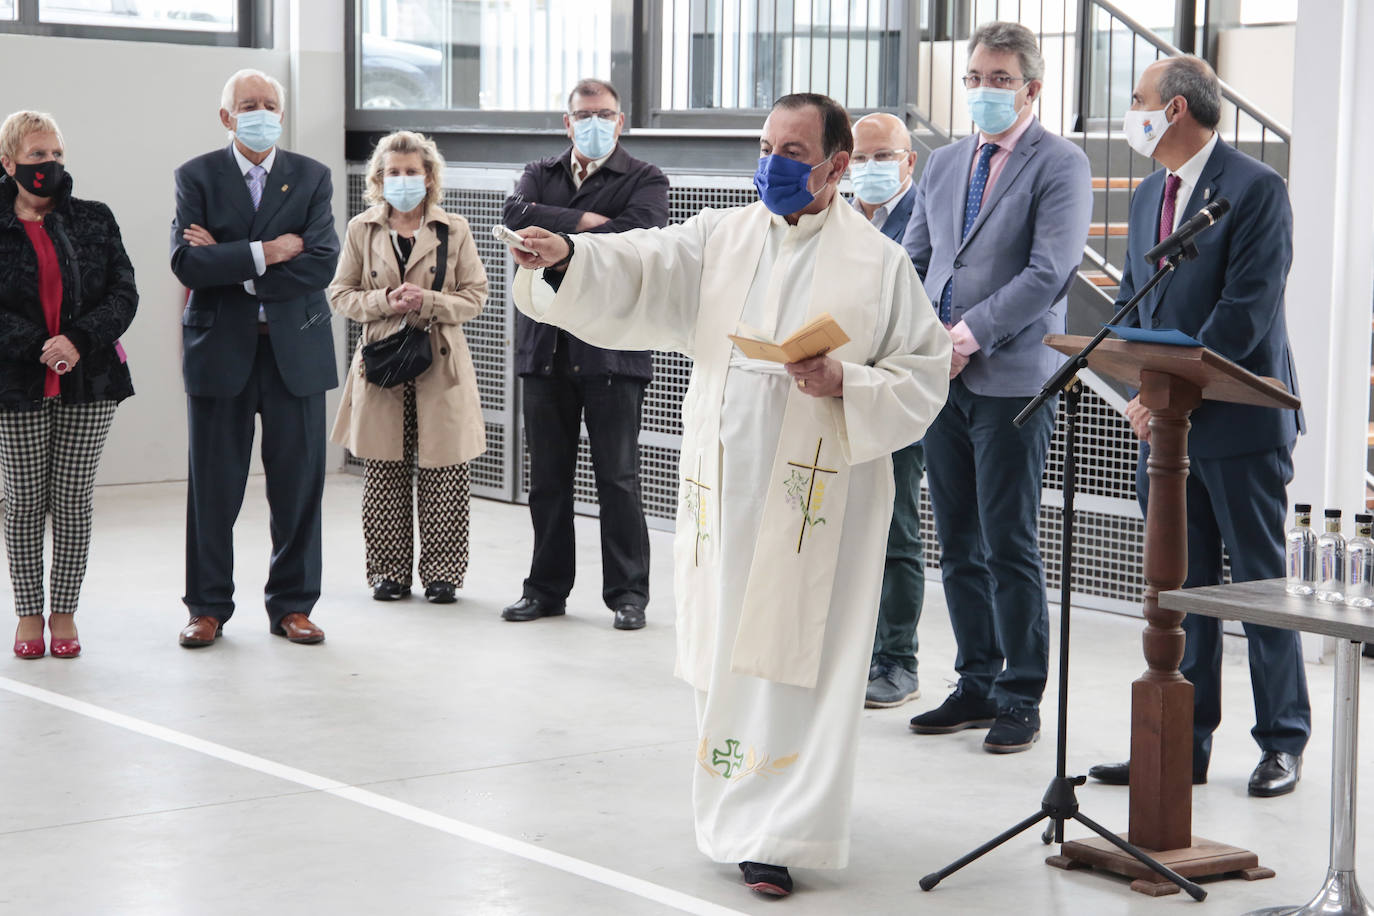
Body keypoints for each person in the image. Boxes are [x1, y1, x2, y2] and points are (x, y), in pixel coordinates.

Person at [505, 93, 950, 897]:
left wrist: (844, 377)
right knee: (731, 652)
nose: (772, 163)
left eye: (792, 151)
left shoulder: (880, 263)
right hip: (726, 488)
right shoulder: (722, 233)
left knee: (800, 657)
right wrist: (567, 256)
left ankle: (782, 828)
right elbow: (642, 261)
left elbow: (923, 375)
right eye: (767, 145)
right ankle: (740, 803)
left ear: (836, 168)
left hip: (820, 499)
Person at [1087, 56, 1309, 798]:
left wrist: (1166, 393)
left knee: (1258, 588)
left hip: (1239, 422)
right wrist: (1139, 384)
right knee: (1179, 592)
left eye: (1139, 100)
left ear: (1176, 109)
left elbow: (1246, 313)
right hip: (1168, 431)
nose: (1133, 111)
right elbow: (1132, 301)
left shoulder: (1255, 188)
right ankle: (1184, 742)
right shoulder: (1152, 190)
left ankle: (1282, 742)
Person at [902, 21, 1092, 753]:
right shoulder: (947, 163)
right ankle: (976, 679)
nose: (983, 91)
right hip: (939, 377)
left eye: (1000, 80)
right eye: (975, 78)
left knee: (1008, 539)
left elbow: (1048, 273)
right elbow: (914, 261)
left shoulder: (1060, 163)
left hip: (1011, 377)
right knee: (956, 537)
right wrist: (925, 342)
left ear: (1032, 89)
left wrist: (963, 338)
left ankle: (1021, 692)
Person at [170, 68, 339, 648]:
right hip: (220, 350)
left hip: (296, 351)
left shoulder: (312, 177)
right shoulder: (196, 176)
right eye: (248, 104)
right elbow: (187, 266)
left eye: (270, 104)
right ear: (226, 116)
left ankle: (293, 605)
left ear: (282, 114)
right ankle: (208, 606)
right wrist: (268, 252)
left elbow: (320, 263)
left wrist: (235, 264)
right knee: (213, 488)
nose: (260, 112)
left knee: (298, 485)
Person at [499, 78, 669, 631]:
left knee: (617, 476)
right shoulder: (538, 173)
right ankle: (545, 589)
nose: (593, 122)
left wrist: (562, 236)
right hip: (546, 344)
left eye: (604, 114)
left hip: (612, 350)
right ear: (567, 121)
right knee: (547, 477)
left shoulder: (646, 178)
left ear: (620, 121)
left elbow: (640, 237)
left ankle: (628, 594)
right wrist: (592, 227)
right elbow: (515, 212)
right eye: (582, 114)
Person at [329, 130, 488, 604]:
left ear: (428, 176)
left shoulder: (453, 228)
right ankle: (388, 572)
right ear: (380, 177)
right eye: (393, 172)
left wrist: (429, 300)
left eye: (411, 171)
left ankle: (443, 574)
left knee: (444, 472)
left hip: (440, 363)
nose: (402, 180)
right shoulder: (362, 229)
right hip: (382, 363)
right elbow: (340, 295)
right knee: (383, 472)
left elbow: (476, 296)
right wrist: (384, 300)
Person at [0, 110, 137, 660]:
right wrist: (39, 345)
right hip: (16, 382)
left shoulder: (94, 218)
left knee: (74, 502)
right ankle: (28, 614)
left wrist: (76, 340)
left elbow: (124, 293)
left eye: (56, 155)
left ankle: (65, 612)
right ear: (9, 162)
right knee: (24, 503)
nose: (49, 165)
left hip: (91, 379)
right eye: (37, 156)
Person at [848, 112, 927, 709]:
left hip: (895, 390)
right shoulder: (840, 221)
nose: (870, 169)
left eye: (883, 157)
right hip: (839, 388)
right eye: (859, 158)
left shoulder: (928, 218)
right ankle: (855, 652)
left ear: (909, 161)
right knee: (844, 531)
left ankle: (897, 658)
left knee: (896, 529)